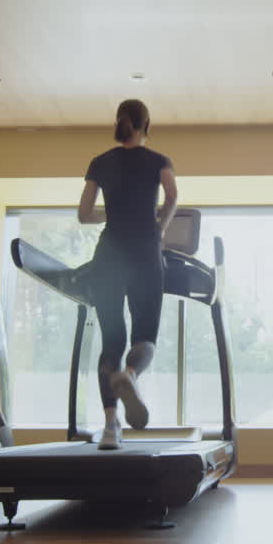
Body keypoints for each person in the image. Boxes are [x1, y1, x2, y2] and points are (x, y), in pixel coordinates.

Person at [78, 99, 179, 450]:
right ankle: (131, 376)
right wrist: (158, 228)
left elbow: (84, 214)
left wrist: (116, 213)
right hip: (145, 253)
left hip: (107, 255)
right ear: (146, 124)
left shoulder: (100, 162)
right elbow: (172, 197)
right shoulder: (159, 161)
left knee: (111, 341)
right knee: (145, 337)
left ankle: (110, 428)